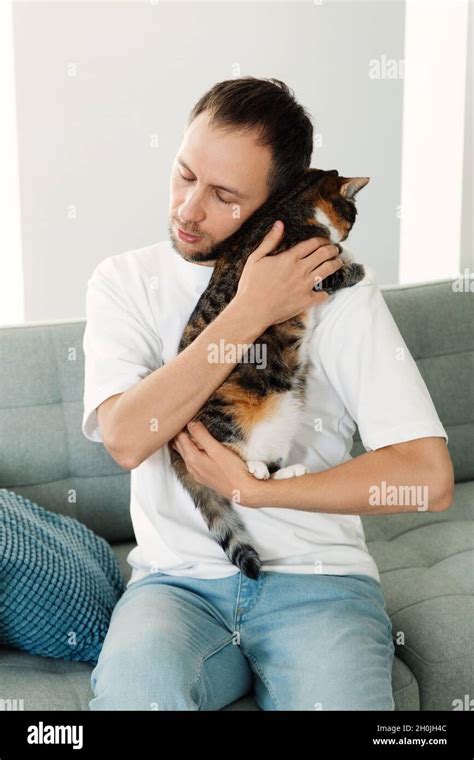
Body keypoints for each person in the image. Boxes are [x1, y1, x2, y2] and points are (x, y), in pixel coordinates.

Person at [82, 77, 454, 711]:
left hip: (322, 585)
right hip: (178, 589)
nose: (188, 209)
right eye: (184, 174)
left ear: (277, 202)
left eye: (224, 195)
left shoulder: (335, 285)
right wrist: (250, 310)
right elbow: (125, 438)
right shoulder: (124, 282)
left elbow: (428, 477)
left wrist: (258, 492)